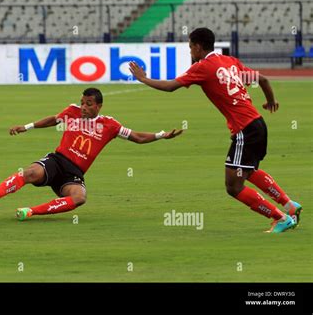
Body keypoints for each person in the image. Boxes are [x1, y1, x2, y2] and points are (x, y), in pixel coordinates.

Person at [129, 27, 302, 233]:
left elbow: (170, 86)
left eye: (191, 47)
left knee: (233, 186)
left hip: (244, 130)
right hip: (257, 123)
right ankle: (289, 205)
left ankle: (280, 217)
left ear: (198, 47)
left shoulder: (202, 67)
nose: (190, 52)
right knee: (247, 171)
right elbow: (263, 79)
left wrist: (143, 79)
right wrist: (270, 101)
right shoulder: (230, 61)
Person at [0, 87, 182, 221]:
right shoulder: (72, 111)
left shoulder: (110, 125)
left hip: (74, 173)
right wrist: (27, 126)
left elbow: (137, 137)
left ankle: (30, 212)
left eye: (88, 104)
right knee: (30, 173)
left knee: (79, 198)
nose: (83, 107)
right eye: (82, 103)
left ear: (99, 106)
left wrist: (161, 135)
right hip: (58, 160)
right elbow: (54, 119)